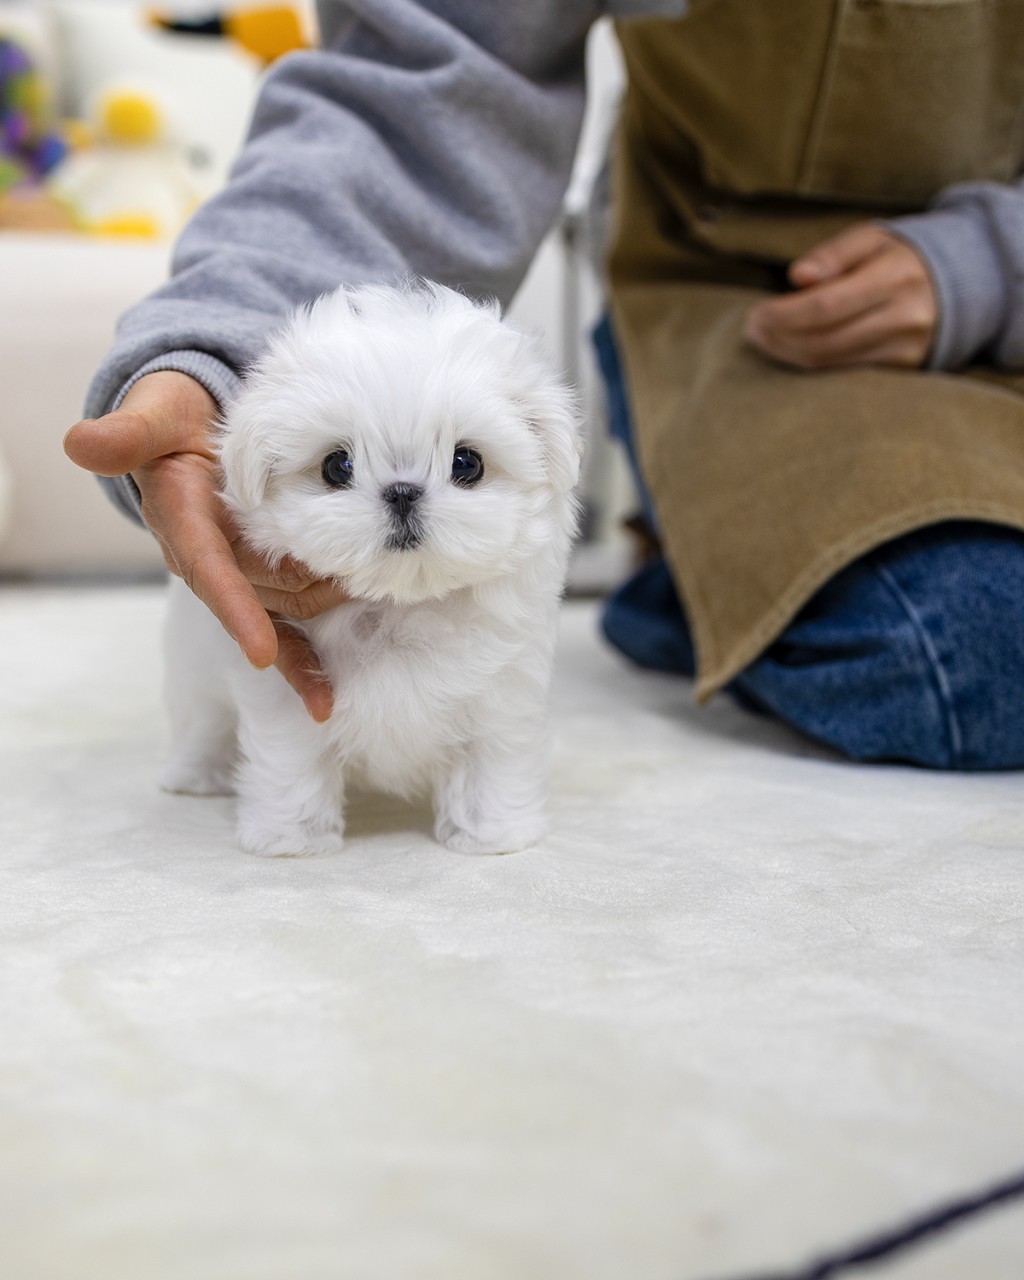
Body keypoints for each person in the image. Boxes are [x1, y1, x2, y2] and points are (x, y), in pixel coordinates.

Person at [64, 0, 1024, 767]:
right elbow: (425, 78)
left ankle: (700, 567)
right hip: (764, 304)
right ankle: (700, 544)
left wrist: (998, 262)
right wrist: (212, 350)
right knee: (974, 648)